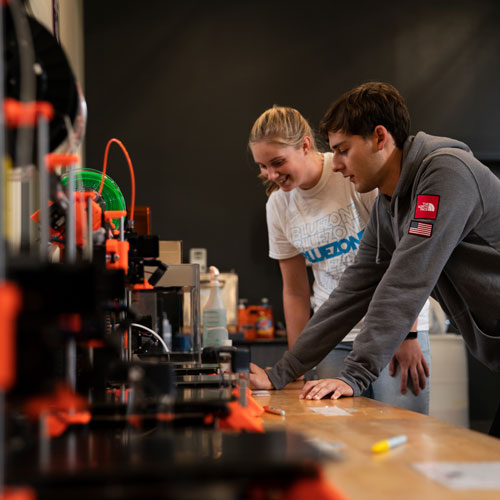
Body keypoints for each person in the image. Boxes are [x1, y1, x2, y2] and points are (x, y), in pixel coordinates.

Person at [249, 82, 500, 436]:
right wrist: (281, 372)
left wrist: (355, 374)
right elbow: (354, 289)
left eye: (342, 151)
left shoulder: (445, 175)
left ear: (379, 138)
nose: (335, 164)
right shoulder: (389, 203)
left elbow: (407, 280)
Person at [249, 105, 431, 413]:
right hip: (334, 336)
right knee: (340, 436)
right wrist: (297, 366)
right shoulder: (278, 206)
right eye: (262, 166)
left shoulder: (352, 172)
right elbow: (295, 292)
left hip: (391, 329)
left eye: (277, 162)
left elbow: (406, 260)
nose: (271, 175)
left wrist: (407, 333)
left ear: (305, 145)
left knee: (403, 434)